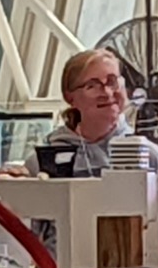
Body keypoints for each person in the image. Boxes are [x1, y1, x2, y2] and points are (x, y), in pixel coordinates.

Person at [36, 46, 130, 176]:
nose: (107, 93)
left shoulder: (146, 154)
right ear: (70, 98)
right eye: (92, 86)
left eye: (112, 81)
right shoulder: (47, 158)